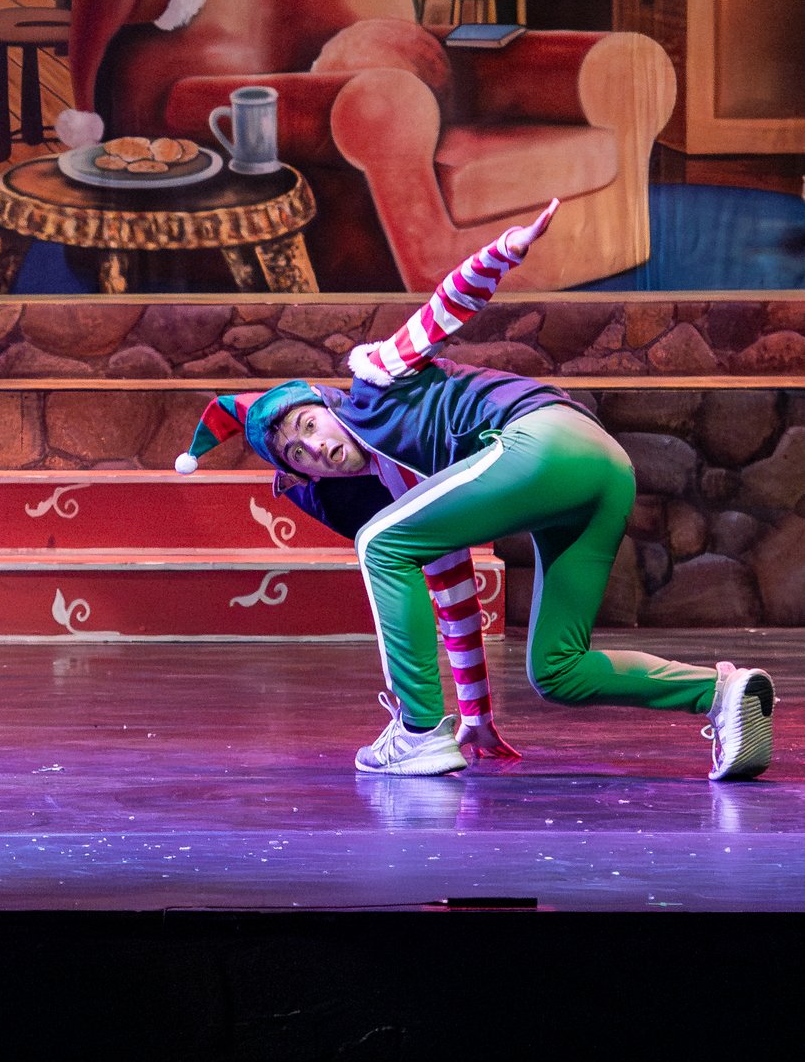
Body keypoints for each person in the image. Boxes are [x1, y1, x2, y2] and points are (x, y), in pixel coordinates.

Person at [174, 201, 774, 780]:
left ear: (328, 406)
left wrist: (504, 252)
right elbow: (455, 598)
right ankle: (721, 694)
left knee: (378, 543)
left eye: (310, 426)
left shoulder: (375, 380)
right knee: (558, 670)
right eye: (297, 456)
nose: (315, 448)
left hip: (545, 439)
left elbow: (443, 309)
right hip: (603, 473)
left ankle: (415, 733)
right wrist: (476, 716)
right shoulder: (409, 490)